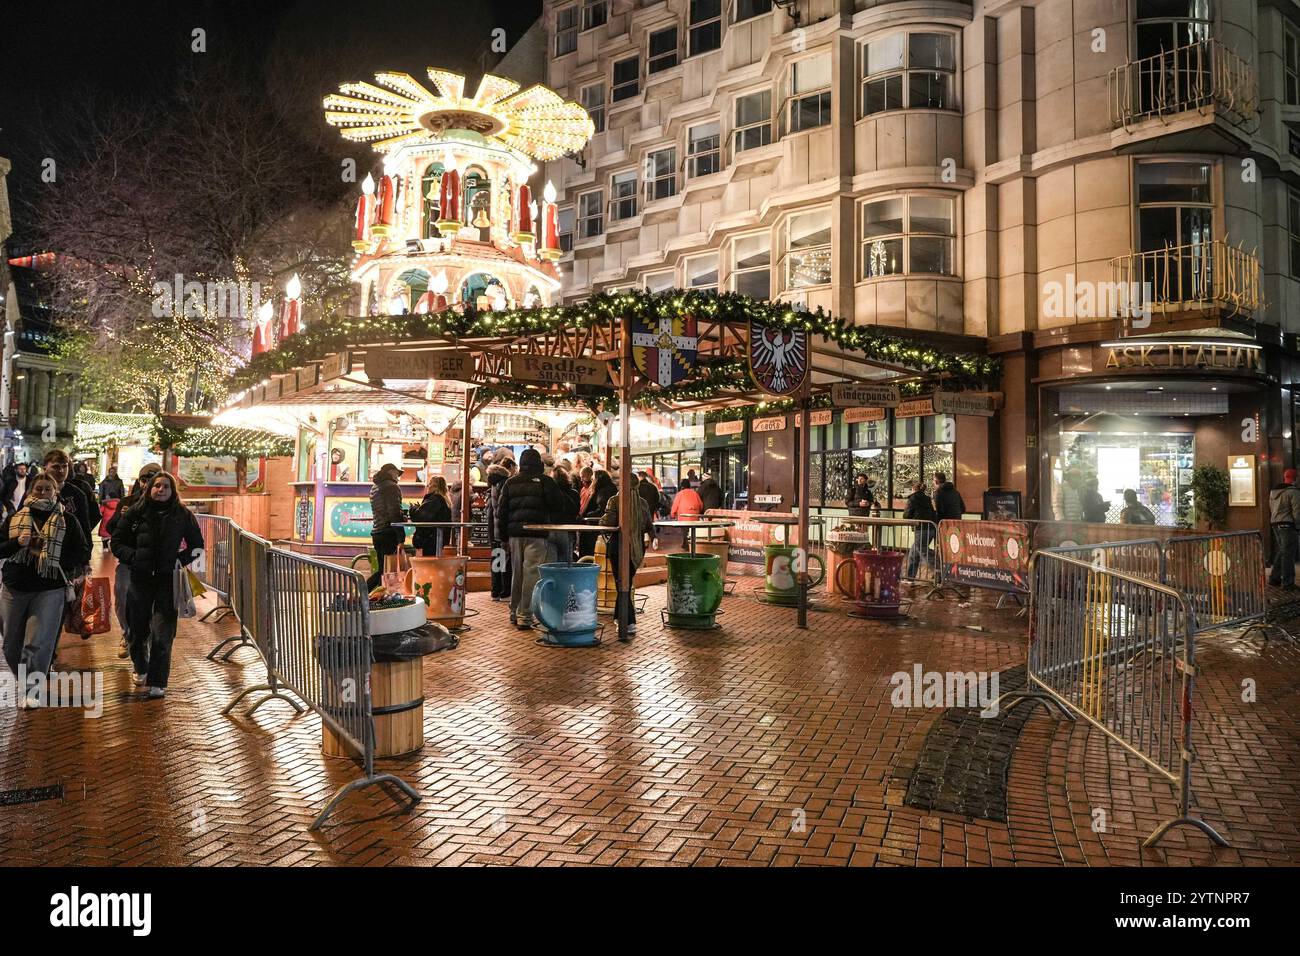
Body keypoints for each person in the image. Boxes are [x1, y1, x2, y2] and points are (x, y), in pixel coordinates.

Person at [109, 471, 203, 699]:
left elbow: (197, 545)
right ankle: (140, 666)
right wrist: (134, 557)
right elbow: (117, 542)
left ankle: (158, 681)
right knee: (137, 631)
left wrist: (177, 560)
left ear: (173, 491)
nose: (161, 490)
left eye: (166, 487)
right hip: (139, 579)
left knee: (163, 633)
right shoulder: (136, 512)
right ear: (149, 488)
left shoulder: (182, 515)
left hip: (166, 581)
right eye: (157, 486)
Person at [0, 472, 90, 707]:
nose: (42, 492)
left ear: (55, 491)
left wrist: (56, 558)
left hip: (49, 589)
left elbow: (82, 552)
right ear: (30, 491)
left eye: (47, 489)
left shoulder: (67, 521)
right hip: (14, 587)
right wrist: (15, 543)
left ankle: (33, 690)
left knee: (37, 642)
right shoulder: (14, 518)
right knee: (10, 645)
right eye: (37, 488)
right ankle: (25, 680)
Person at [497, 448, 569, 629]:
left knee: (517, 574)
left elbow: (501, 511)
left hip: (514, 534)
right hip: (537, 533)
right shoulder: (546, 481)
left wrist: (503, 536)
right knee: (531, 574)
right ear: (540, 463)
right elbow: (558, 505)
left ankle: (514, 611)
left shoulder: (510, 483)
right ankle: (525, 615)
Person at [107, 463, 163, 659]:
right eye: (145, 479)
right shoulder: (128, 502)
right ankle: (127, 633)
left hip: (156, 567)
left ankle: (142, 643)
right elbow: (111, 530)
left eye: (153, 480)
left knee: (152, 606)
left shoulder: (168, 504)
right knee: (122, 599)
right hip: (129, 563)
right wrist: (122, 519)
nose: (148, 484)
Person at [600, 489, 653, 639]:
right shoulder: (642, 503)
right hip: (637, 548)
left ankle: (628, 621)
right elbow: (649, 525)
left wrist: (601, 520)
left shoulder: (615, 500)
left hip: (618, 546)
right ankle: (620, 617)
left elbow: (607, 522)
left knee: (621, 584)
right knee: (626, 583)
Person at [367, 464, 407, 590]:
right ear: (391, 472)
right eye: (397, 473)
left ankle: (375, 595)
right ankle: (363, 589)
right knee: (387, 571)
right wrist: (401, 537)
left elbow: (383, 510)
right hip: (388, 533)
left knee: (383, 569)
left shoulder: (375, 486)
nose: (398, 477)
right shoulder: (392, 487)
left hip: (377, 532)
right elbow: (393, 513)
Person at [1268, 468, 1300, 590]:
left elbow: (1271, 508)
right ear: (1295, 479)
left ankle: (1274, 578)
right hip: (1288, 525)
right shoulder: (1294, 492)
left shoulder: (1274, 492)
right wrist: (1297, 526)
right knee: (1288, 554)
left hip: (1276, 523)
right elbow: (1297, 512)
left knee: (1282, 551)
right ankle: (1288, 583)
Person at [485, 462, 513, 601]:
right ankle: (505, 591)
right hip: (502, 530)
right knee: (505, 561)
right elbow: (504, 511)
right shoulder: (504, 485)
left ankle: (495, 591)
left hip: (494, 530)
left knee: (497, 561)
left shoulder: (492, 486)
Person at [903, 480, 938, 579]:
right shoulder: (927, 499)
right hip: (930, 528)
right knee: (913, 553)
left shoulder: (913, 498)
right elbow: (932, 512)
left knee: (923, 550)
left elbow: (906, 515)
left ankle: (939, 569)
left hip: (920, 528)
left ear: (913, 489)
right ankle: (910, 577)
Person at [411, 475, 452, 556]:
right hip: (438, 538)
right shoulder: (444, 500)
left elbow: (420, 516)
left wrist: (413, 509)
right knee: (434, 561)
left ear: (435, 487)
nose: (428, 487)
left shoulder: (434, 499)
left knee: (429, 563)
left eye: (429, 485)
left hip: (430, 539)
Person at [579, 470, 617, 557]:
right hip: (602, 526)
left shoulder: (603, 491)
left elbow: (602, 509)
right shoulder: (610, 488)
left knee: (589, 551)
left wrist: (588, 515)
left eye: (593, 479)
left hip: (596, 526)